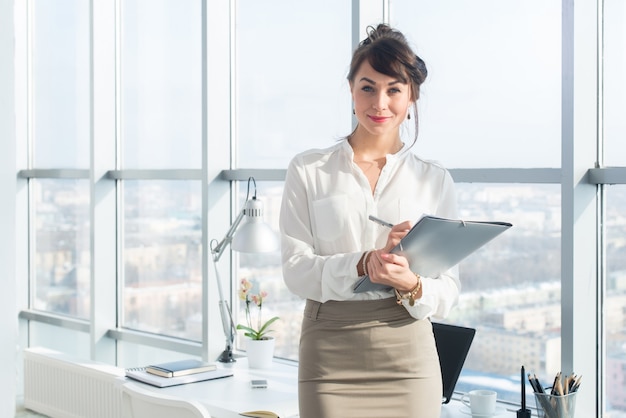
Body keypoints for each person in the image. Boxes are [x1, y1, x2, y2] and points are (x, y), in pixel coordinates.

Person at [279, 23, 460, 418]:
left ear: (411, 96)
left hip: (408, 358)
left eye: (394, 89)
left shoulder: (434, 180)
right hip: (329, 353)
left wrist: (409, 282)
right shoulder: (309, 169)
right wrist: (364, 262)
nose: (380, 103)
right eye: (368, 87)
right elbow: (296, 272)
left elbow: (446, 294)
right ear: (350, 90)